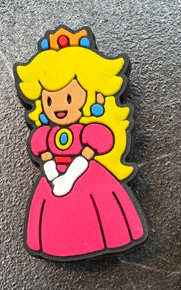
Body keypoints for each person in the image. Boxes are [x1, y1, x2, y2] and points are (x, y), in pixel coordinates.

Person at [15, 27, 146, 260]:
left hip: (88, 177)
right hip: (54, 180)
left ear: (92, 94)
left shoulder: (90, 133)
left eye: (68, 98)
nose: (58, 107)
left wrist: (69, 177)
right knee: (55, 218)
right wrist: (53, 175)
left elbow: (87, 153)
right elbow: (45, 155)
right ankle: (60, 245)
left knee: (97, 215)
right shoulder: (45, 135)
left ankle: (94, 240)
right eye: (49, 100)